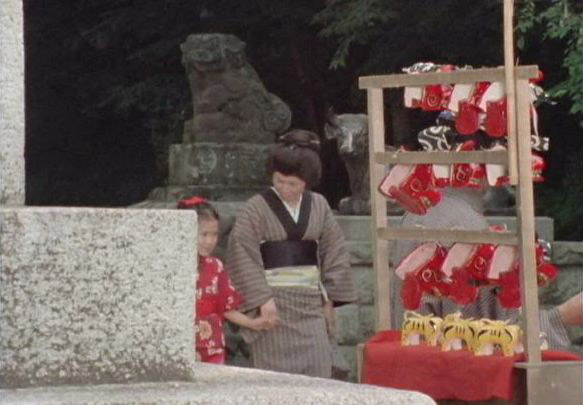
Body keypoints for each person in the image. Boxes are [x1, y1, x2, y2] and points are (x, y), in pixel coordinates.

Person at [225, 129, 357, 378]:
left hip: (310, 306)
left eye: (292, 184)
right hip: (273, 307)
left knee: (318, 377)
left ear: (307, 181)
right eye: (279, 181)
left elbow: (334, 252)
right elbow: (242, 255)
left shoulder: (319, 205)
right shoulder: (255, 208)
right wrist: (262, 299)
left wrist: (329, 298)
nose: (284, 188)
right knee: (274, 382)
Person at [392, 187, 582, 350]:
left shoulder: (422, 213)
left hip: (419, 362)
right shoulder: (466, 228)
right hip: (455, 371)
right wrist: (564, 315)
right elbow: (500, 340)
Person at [178, 196, 271, 364]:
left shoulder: (216, 266)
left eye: (214, 234)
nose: (210, 241)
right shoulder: (171, 268)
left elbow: (226, 308)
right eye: (204, 234)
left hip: (212, 346)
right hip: (180, 345)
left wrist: (251, 323)